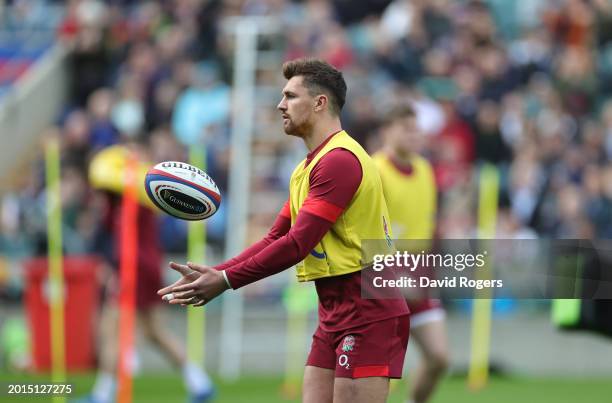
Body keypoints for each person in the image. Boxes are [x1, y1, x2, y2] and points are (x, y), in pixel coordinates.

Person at [158, 58, 410, 403]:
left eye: (290, 96)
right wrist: (217, 271)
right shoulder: (307, 168)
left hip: (368, 306)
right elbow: (275, 237)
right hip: (335, 307)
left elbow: (297, 245)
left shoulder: (339, 161)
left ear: (320, 103)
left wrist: (227, 281)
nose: (280, 105)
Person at [80, 144, 214, 403]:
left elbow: (125, 241)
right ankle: (199, 382)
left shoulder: (139, 198)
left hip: (136, 268)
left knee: (111, 328)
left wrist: (118, 272)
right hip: (144, 268)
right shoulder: (119, 201)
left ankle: (102, 395)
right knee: (154, 332)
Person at [373, 105, 449, 403]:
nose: (415, 135)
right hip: (381, 276)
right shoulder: (373, 169)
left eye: (416, 129)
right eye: (406, 128)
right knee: (381, 368)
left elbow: (428, 226)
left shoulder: (425, 170)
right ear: (386, 131)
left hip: (417, 274)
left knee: (439, 358)